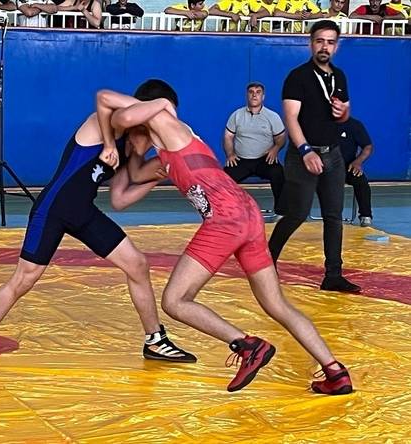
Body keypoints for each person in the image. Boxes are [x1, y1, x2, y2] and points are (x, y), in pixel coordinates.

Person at [96, 79, 353, 395]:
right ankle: (335, 371)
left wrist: (120, 136)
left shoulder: (164, 120)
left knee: (175, 301)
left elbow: (116, 108)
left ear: (143, 112)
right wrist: (137, 153)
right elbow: (124, 192)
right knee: (276, 304)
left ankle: (247, 346)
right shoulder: (168, 148)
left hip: (225, 219)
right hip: (247, 214)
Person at [0, 86, 195, 370]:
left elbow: (120, 200)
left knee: (137, 264)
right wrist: (111, 144)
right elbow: (103, 98)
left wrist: (158, 176)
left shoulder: (129, 151)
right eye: (154, 128)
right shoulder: (108, 124)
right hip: (53, 209)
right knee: (24, 278)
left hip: (83, 212)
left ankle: (155, 340)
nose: (157, 139)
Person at [268, 20, 361, 294]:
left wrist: (342, 112)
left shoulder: (339, 76)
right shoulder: (298, 77)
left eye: (330, 42)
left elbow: (344, 115)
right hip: (303, 155)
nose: (325, 47)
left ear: (336, 46)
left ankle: (333, 275)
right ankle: (265, 261)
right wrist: (305, 150)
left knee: (334, 216)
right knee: (297, 214)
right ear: (311, 43)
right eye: (320, 41)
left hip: (333, 154)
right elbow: (291, 118)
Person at [223, 82, 287, 217]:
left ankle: (281, 212)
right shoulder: (236, 115)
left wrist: (275, 149)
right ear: (247, 95)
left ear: (263, 96)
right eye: (251, 92)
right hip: (241, 160)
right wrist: (230, 154)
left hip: (265, 160)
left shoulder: (272, 116)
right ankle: (228, 212)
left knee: (278, 174)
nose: (254, 95)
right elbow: (228, 136)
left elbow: (281, 137)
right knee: (223, 179)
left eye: (258, 92)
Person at [337, 117, 374, 226]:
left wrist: (358, 161)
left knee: (361, 181)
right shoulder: (321, 123)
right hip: (324, 167)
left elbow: (368, 146)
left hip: (347, 167)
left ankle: (365, 216)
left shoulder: (354, 125)